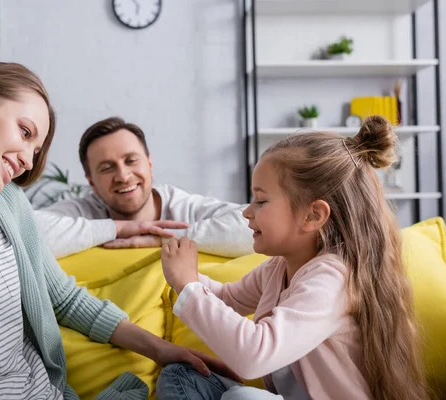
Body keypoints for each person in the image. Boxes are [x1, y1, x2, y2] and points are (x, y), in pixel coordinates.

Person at [0, 62, 238, 400]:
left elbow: (63, 299)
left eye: (36, 149)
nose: (28, 161)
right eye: (25, 132)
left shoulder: (7, 204)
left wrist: (160, 349)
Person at [156, 116, 429, 400]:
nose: (247, 212)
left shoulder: (332, 279)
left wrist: (189, 286)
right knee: (181, 374)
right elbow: (227, 299)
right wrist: (186, 276)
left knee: (242, 398)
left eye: (261, 200)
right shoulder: (279, 267)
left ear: (312, 215)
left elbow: (253, 357)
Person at [34, 117, 253, 259]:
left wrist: (164, 238)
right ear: (91, 182)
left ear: (149, 164)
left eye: (131, 161)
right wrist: (116, 229)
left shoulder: (183, 208)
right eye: (107, 168)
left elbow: (256, 226)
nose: (123, 176)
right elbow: (26, 234)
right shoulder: (82, 211)